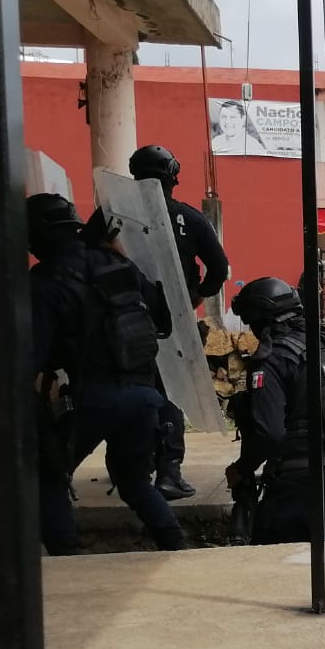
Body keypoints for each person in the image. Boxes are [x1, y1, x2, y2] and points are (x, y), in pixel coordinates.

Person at [28, 193, 186, 555]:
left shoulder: (44, 281)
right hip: (146, 394)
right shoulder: (116, 264)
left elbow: (33, 355)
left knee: (47, 475)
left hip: (93, 396)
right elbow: (162, 320)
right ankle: (176, 545)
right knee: (134, 481)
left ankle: (67, 556)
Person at [228, 277, 325, 544]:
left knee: (271, 558)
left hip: (297, 480)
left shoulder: (272, 359)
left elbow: (269, 434)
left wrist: (243, 468)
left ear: (259, 320)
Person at [128, 144, 230, 499]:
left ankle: (135, 467)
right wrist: (199, 293)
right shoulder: (190, 218)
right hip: (175, 321)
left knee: (129, 392)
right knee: (170, 391)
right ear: (173, 175)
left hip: (124, 323)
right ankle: (169, 472)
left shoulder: (115, 214)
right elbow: (219, 266)